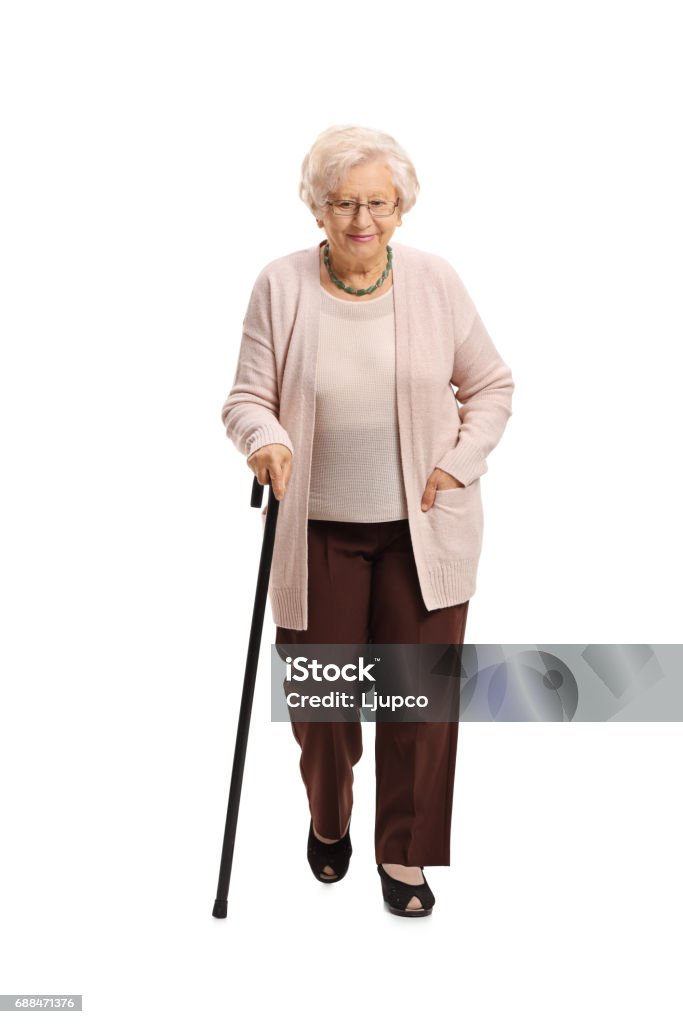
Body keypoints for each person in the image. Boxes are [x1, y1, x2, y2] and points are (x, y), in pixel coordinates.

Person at [221, 124, 514, 917]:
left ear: (400, 207)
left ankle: (404, 854)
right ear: (317, 208)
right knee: (322, 706)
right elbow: (246, 398)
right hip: (315, 531)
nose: (362, 219)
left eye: (378, 203)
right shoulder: (280, 286)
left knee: (417, 706)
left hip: (424, 532)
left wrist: (460, 460)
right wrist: (268, 439)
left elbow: (488, 384)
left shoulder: (434, 282)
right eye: (344, 202)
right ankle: (328, 814)